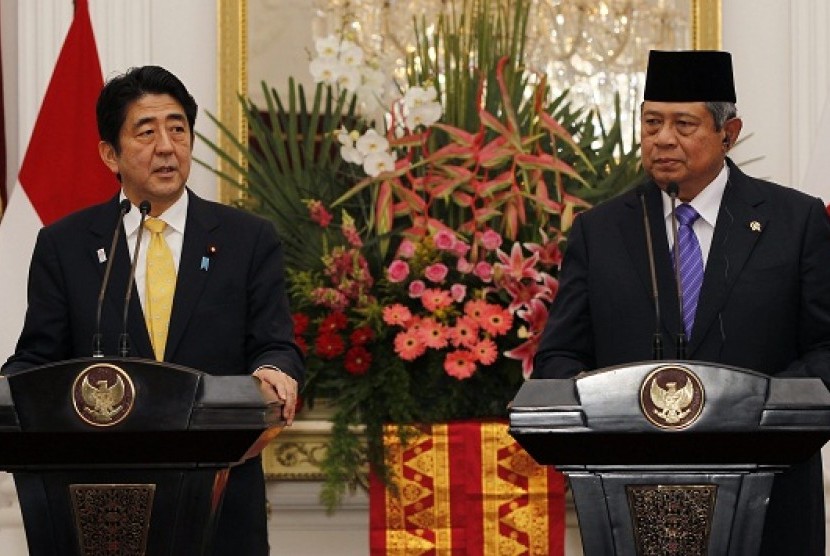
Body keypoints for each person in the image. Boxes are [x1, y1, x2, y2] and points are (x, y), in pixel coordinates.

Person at [532, 50, 830, 555]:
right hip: (632, 500)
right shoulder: (600, 231)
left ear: (728, 132)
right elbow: (558, 357)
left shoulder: (794, 221)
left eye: (683, 124)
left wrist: (755, 410)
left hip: (769, 491)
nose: (663, 138)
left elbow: (826, 348)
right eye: (651, 122)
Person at [2, 65, 305, 555]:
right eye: (146, 132)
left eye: (178, 129)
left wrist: (275, 370)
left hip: (220, 503)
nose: (167, 146)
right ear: (110, 154)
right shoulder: (66, 244)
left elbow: (275, 345)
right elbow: (39, 360)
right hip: (99, 509)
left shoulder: (248, 239)